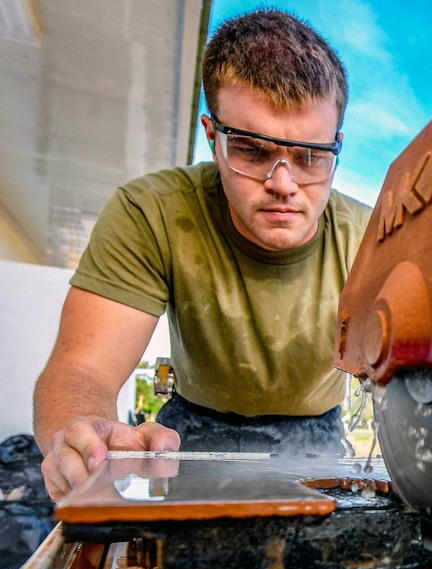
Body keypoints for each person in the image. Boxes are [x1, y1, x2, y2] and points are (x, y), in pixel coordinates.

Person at [33, 9, 372, 502]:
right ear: (212, 135)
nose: (283, 183)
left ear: (335, 146)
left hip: (317, 433)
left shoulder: (370, 239)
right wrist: (82, 432)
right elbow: (81, 369)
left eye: (310, 156)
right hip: (192, 432)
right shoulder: (152, 213)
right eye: (254, 151)